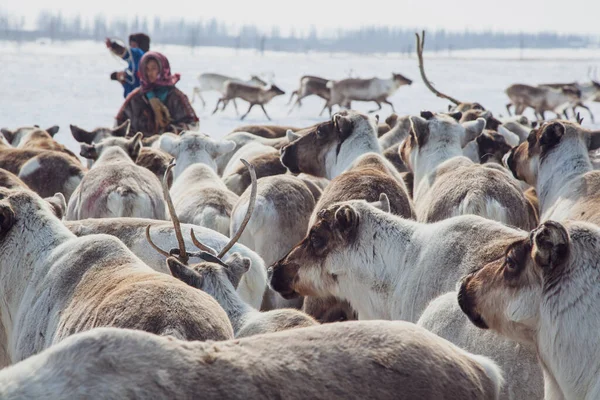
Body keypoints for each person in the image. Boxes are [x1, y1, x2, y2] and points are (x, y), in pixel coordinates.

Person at [115, 51, 199, 137]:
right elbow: (119, 125)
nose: (149, 73)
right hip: (141, 148)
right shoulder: (135, 98)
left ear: (163, 69)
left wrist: (173, 132)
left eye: (153, 68)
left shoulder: (176, 97)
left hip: (168, 148)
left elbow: (193, 124)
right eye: (146, 69)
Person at [106, 33, 151, 97]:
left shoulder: (140, 56)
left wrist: (114, 46)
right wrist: (120, 78)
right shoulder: (132, 65)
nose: (130, 47)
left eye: (132, 45)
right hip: (133, 99)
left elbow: (129, 53)